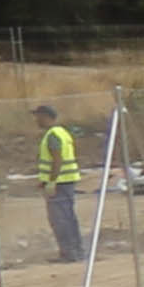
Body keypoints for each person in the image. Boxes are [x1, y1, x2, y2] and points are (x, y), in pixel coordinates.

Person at [29, 105, 83, 267]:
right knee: (69, 217)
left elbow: (57, 160)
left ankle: (69, 253)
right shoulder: (62, 132)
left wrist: (51, 182)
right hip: (66, 181)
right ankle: (77, 251)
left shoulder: (52, 135)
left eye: (38, 116)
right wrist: (44, 181)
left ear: (46, 116)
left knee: (59, 219)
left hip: (60, 183)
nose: (36, 120)